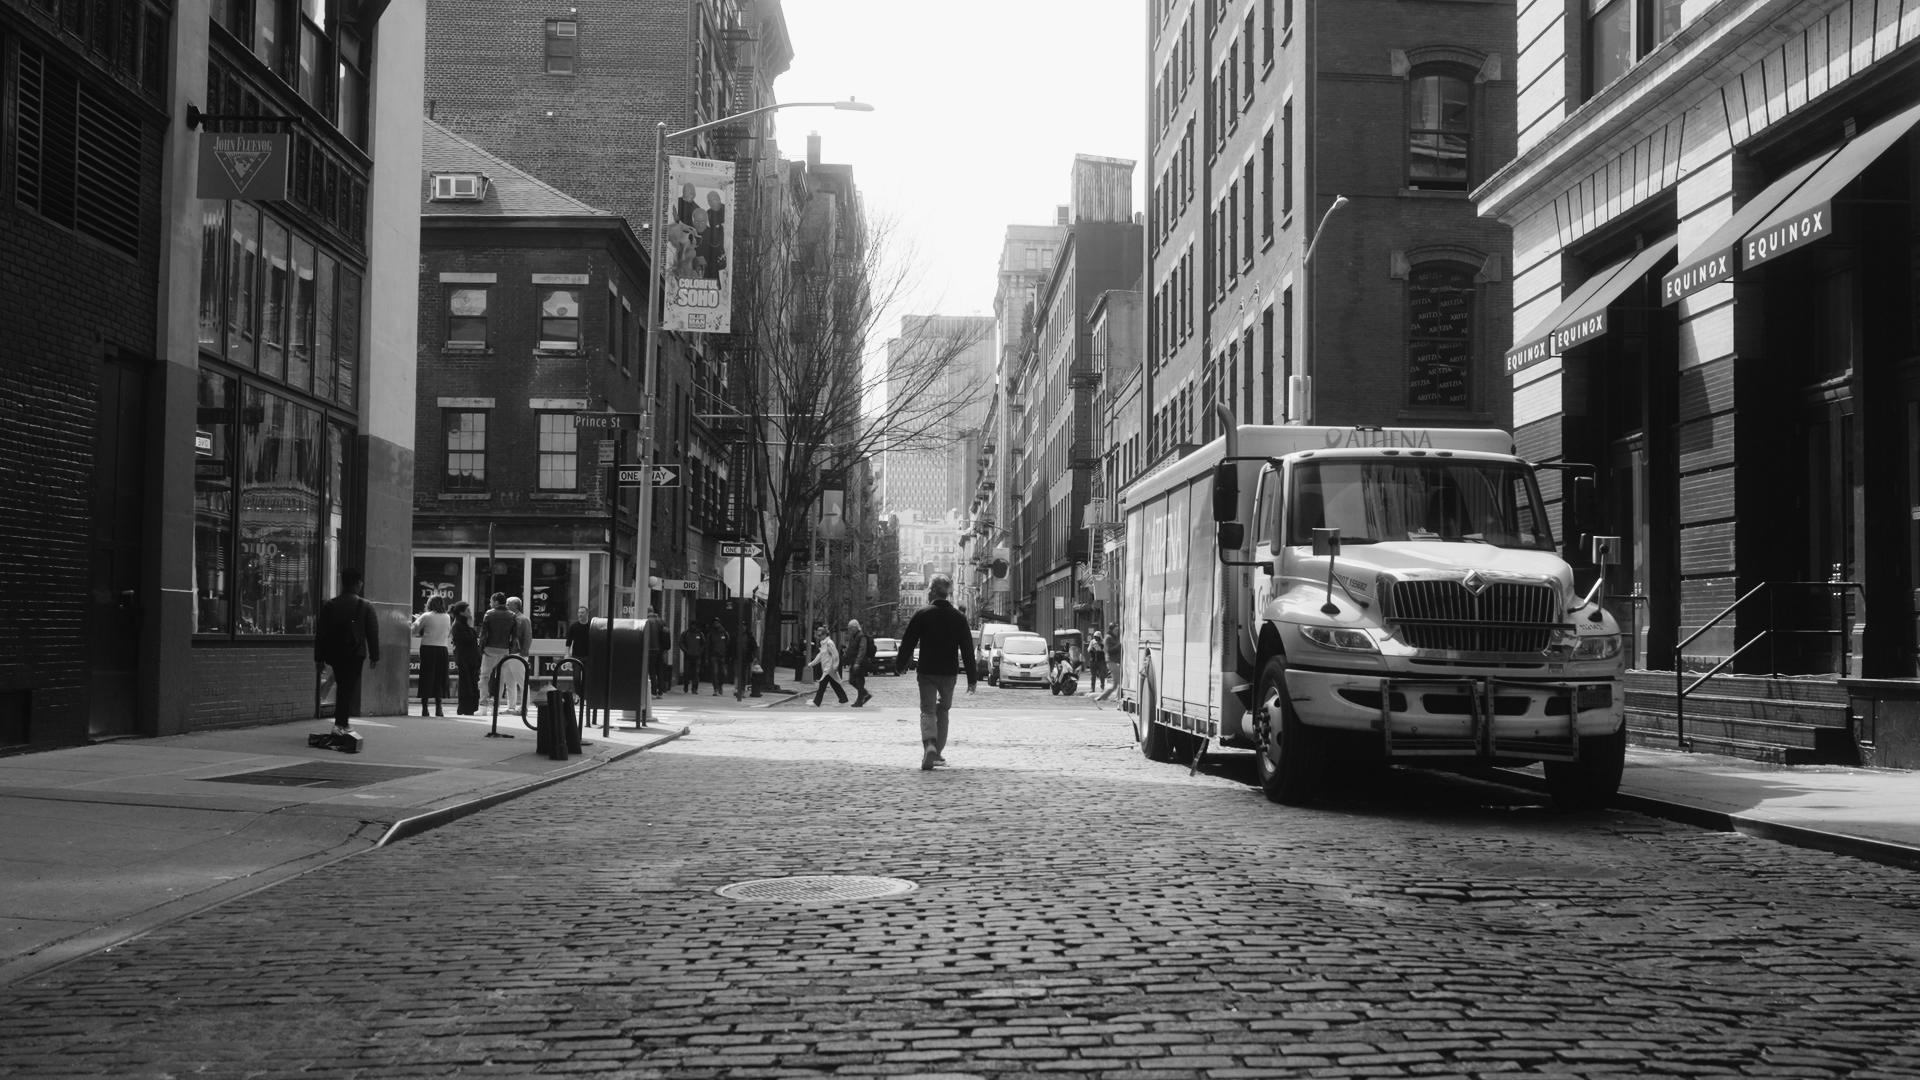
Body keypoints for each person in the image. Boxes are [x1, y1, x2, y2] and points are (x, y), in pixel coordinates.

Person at [897, 575, 978, 771]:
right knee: (943, 711)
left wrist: (900, 664)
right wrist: (972, 678)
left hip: (927, 670)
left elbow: (908, 641)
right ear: (948, 593)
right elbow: (967, 648)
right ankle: (937, 752)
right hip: (949, 672)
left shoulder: (922, 614)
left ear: (932, 592)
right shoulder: (959, 617)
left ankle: (930, 746)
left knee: (927, 710)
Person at [314, 568, 380, 737]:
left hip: (335, 653)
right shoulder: (365, 605)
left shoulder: (330, 605)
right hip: (356, 653)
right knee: (347, 687)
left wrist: (319, 658)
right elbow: (372, 633)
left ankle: (342, 723)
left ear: (342, 583)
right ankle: (340, 724)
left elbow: (321, 633)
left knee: (343, 685)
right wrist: (374, 655)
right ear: (358, 584)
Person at [411, 596, 452, 717]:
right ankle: (439, 707)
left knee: (426, 676)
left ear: (430, 604)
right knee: (440, 677)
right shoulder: (447, 617)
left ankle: (425, 708)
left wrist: (417, 621)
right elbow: (446, 632)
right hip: (442, 649)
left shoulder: (426, 616)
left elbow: (415, 630)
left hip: (428, 648)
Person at [480, 593, 518, 712]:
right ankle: (496, 706)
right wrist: (509, 648)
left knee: (484, 677)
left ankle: (483, 706)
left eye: (491, 602)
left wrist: (481, 648)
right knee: (500, 678)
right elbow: (514, 636)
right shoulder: (512, 615)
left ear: (496, 602)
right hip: (504, 650)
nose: (490, 604)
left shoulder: (489, 614)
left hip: (490, 649)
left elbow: (483, 634)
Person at [450, 601, 481, 715]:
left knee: (471, 681)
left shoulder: (462, 623)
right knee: (467, 682)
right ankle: (465, 707)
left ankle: (470, 707)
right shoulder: (458, 624)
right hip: (464, 658)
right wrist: (471, 627)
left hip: (469, 657)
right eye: (467, 611)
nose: (470, 612)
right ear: (461, 612)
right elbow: (467, 639)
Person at [503, 596, 533, 710]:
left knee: (522, 681)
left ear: (515, 605)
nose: (506, 606)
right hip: (508, 653)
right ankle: (511, 706)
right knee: (509, 682)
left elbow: (527, 637)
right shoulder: (508, 618)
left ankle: (524, 706)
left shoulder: (523, 620)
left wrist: (524, 653)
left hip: (518, 654)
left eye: (508, 604)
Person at [810, 625, 848, 707]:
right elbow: (820, 656)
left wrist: (835, 666)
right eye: (818, 635)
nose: (819, 637)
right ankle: (843, 699)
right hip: (828, 668)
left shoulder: (829, 643)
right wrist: (812, 664)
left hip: (829, 668)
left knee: (822, 684)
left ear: (824, 635)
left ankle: (816, 702)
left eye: (820, 635)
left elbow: (835, 655)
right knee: (834, 684)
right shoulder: (824, 644)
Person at [844, 618, 874, 708]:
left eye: (850, 628)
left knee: (859, 681)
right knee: (852, 681)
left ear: (855, 627)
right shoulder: (854, 637)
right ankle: (865, 695)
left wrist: (857, 662)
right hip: (854, 662)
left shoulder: (861, 637)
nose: (849, 630)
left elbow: (862, 650)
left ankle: (860, 700)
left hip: (860, 662)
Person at [707, 617, 734, 696]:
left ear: (720, 624)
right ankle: (715, 689)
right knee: (715, 672)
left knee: (724, 673)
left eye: (717, 623)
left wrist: (729, 656)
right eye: (714, 623)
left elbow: (728, 645)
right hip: (713, 656)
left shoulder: (725, 633)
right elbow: (707, 646)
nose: (716, 624)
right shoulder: (710, 634)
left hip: (723, 656)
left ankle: (720, 685)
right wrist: (707, 657)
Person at [678, 621, 706, 694]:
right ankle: (686, 685)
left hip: (697, 657)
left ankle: (694, 688)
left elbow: (704, 644)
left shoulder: (700, 634)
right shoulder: (685, 634)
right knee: (686, 673)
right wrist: (685, 651)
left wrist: (700, 652)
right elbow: (680, 642)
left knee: (696, 673)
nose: (692, 626)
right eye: (691, 625)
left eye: (694, 625)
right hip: (688, 656)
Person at [1087, 630, 1109, 694]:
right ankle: (1092, 688)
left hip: (1101, 660)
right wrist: (1091, 650)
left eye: (1097, 637)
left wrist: (1100, 645)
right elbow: (1088, 649)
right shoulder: (1092, 642)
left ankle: (1102, 687)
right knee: (1093, 675)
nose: (1096, 638)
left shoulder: (1103, 642)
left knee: (1102, 674)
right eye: (1095, 637)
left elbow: (1105, 650)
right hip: (1093, 660)